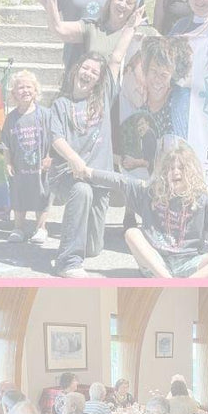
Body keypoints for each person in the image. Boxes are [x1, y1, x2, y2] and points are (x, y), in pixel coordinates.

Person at [69, 138, 208, 276]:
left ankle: (189, 285)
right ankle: (167, 282)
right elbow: (119, 180)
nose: (175, 172)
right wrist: (88, 172)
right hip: (155, 264)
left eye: (181, 168)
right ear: (164, 172)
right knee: (133, 233)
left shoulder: (201, 201)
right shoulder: (149, 191)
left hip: (189, 263)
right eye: (171, 168)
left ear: (190, 173)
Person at [47, 51, 130, 277]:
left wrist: (131, 27)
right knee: (81, 191)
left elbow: (115, 61)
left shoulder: (104, 98)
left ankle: (75, 244)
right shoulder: (60, 105)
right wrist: (74, 158)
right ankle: (68, 262)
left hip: (99, 180)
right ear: (76, 70)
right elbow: (56, 137)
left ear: (98, 80)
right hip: (67, 175)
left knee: (93, 248)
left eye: (94, 72)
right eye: (85, 68)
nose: (88, 74)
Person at [114, 37, 192, 231]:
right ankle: (130, 211)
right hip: (144, 161)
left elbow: (179, 146)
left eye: (164, 74)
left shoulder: (179, 97)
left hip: (168, 159)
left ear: (172, 76)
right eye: (153, 73)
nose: (158, 79)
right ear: (145, 73)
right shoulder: (136, 96)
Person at [34, 0, 146, 71]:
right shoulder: (92, 28)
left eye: (129, 2)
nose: (122, 5)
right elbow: (58, 28)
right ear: (110, 2)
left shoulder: (135, 35)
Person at [0, 71, 52, 243]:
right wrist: (7, 162)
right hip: (19, 166)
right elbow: (5, 142)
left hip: (41, 166)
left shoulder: (45, 114)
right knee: (18, 195)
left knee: (42, 194)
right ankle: (18, 228)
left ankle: (41, 228)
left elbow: (54, 138)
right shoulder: (11, 118)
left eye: (29, 87)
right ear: (14, 94)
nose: (25, 90)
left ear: (36, 91)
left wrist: (50, 157)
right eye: (20, 88)